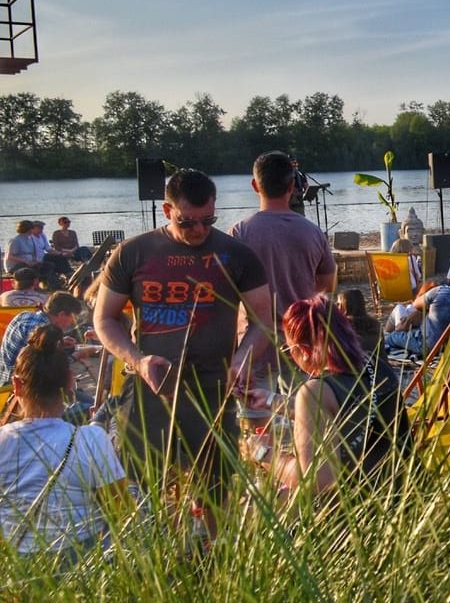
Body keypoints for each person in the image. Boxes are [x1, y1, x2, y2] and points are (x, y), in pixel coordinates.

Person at [93, 168, 273, 522]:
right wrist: (138, 359)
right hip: (149, 389)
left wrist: (241, 360)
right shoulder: (133, 253)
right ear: (166, 211)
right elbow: (104, 319)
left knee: (214, 491)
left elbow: (263, 321)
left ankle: (210, 561)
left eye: (209, 220)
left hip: (211, 388)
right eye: (188, 222)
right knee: (142, 491)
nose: (200, 231)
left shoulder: (237, 255)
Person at [246, 296, 410, 494]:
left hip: (361, 509)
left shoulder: (314, 391)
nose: (290, 356)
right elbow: (342, 411)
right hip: (406, 491)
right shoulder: (373, 363)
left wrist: (263, 453)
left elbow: (315, 481)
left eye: (289, 350)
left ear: (304, 351)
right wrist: (272, 401)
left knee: (273, 496)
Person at [0, 325, 126, 560]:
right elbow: (121, 512)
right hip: (80, 565)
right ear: (71, 384)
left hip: (18, 565)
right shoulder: (91, 440)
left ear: (17, 385)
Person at [230, 151, 338, 387]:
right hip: (302, 343)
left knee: (257, 420)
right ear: (293, 186)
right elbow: (328, 283)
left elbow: (228, 288)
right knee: (304, 416)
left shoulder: (240, 233)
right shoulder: (313, 232)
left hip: (254, 349)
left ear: (254, 185)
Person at [0, 291, 93, 388]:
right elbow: (47, 370)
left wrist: (58, 342)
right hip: (17, 386)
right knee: (85, 400)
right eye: (72, 318)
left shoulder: (25, 315)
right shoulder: (42, 330)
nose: (71, 323)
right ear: (61, 314)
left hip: (5, 377)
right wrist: (76, 356)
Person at [336, 288, 382, 354]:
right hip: (380, 363)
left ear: (344, 307)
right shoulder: (376, 324)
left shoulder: (342, 328)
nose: (336, 307)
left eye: (338, 304)